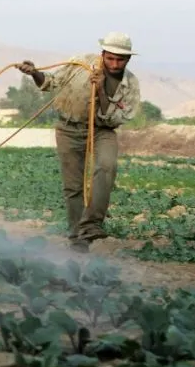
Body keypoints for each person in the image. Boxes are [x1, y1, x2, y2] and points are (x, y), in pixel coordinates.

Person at [16, 31, 141, 253]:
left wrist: (101, 88)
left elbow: (113, 118)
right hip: (68, 128)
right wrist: (34, 72)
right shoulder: (80, 64)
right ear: (102, 54)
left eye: (120, 59)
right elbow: (50, 83)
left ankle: (92, 224)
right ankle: (77, 238)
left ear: (128, 59)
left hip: (102, 130)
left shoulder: (130, 84)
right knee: (73, 186)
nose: (114, 63)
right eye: (110, 58)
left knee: (106, 167)